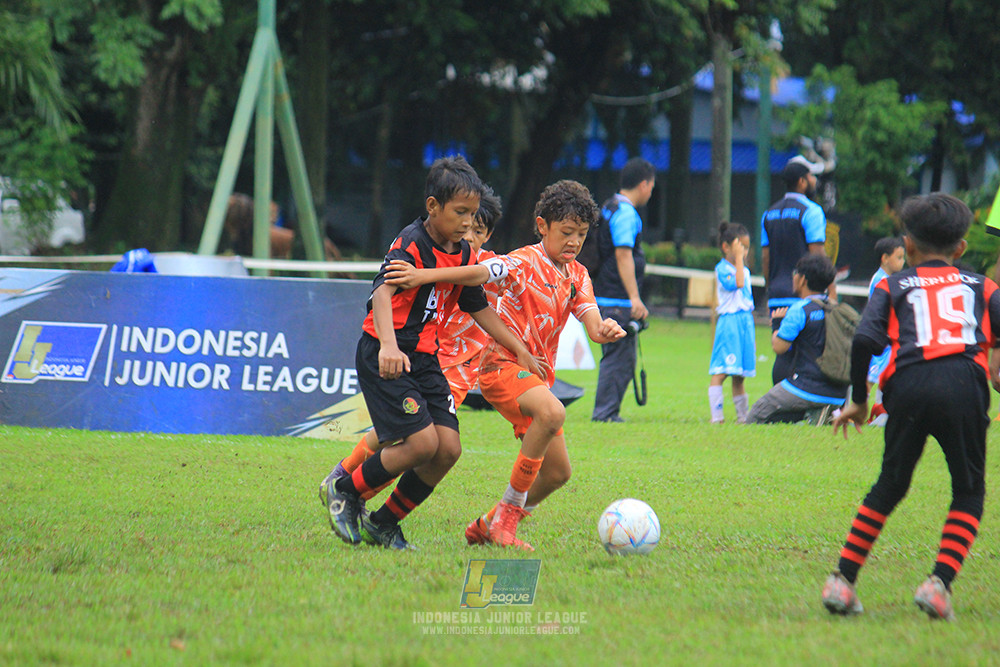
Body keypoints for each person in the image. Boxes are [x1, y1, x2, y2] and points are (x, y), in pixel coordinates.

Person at [384, 180, 626, 550]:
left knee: (558, 473)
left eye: (581, 234)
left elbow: (593, 326)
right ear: (542, 226)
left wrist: (605, 329)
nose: (574, 242)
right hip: (500, 368)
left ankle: (487, 525)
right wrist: (422, 275)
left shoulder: (578, 275)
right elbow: (476, 273)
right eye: (566, 232)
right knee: (552, 411)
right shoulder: (522, 262)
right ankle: (505, 523)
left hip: (535, 379)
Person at [319, 157, 543, 550]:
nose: (467, 223)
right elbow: (382, 294)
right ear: (433, 206)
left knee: (448, 450)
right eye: (460, 212)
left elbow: (478, 306)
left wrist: (519, 348)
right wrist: (389, 346)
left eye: (473, 214)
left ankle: (384, 523)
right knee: (422, 444)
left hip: (424, 360)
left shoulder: (464, 253)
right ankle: (345, 490)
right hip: (386, 356)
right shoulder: (411, 243)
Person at [823, 193, 1000, 621]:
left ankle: (842, 582)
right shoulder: (984, 287)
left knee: (891, 483)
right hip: (963, 383)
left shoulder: (893, 285)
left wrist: (860, 401)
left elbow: (864, 341)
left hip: (908, 384)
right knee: (969, 490)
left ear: (908, 244)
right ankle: (938, 585)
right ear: (961, 248)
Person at [320, 188, 505, 505]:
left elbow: (484, 277)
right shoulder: (427, 247)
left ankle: (358, 496)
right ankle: (346, 481)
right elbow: (385, 292)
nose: (468, 234)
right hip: (425, 355)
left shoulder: (482, 264)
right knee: (405, 435)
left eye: (477, 229)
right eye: (463, 221)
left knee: (425, 440)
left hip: (458, 369)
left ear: (487, 235)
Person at [745, 253, 847, 424]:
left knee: (756, 414)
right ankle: (817, 414)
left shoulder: (800, 309)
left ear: (802, 280)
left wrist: (777, 323)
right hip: (840, 392)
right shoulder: (838, 309)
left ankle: (813, 412)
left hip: (807, 387)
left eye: (795, 273)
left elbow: (779, 347)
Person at [591, 157, 656, 423]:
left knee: (617, 354)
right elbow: (623, 255)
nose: (651, 192)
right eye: (651, 187)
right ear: (643, 185)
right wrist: (635, 298)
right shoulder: (627, 214)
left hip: (605, 292)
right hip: (617, 297)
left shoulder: (610, 206)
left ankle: (607, 411)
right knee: (619, 357)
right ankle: (605, 413)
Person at [761, 155, 829, 385]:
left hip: (778, 294)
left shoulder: (768, 213)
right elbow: (817, 256)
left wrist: (770, 288)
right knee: (809, 352)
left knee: (783, 350)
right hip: (806, 293)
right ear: (802, 181)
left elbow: (765, 257)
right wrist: (830, 290)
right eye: (811, 176)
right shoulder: (811, 211)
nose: (814, 180)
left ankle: (779, 396)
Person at [708, 222, 755, 424]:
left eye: (746, 248)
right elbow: (738, 283)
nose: (744, 252)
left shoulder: (744, 270)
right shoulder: (723, 269)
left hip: (745, 323)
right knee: (721, 371)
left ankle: (743, 417)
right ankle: (717, 417)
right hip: (729, 323)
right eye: (740, 247)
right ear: (726, 247)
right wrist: (738, 259)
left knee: (740, 375)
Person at [865, 236, 906, 425]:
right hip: (880, 338)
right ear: (885, 258)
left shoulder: (888, 280)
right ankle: (854, 410)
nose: (902, 262)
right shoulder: (880, 280)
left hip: (888, 338)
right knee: (870, 377)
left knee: (886, 375)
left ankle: (882, 413)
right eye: (898, 257)